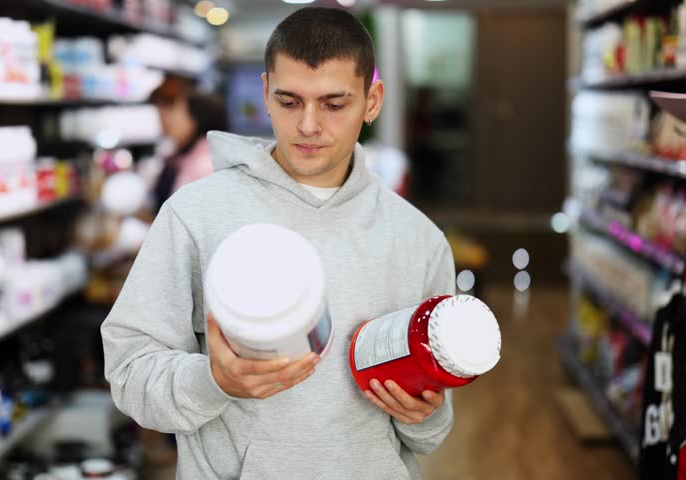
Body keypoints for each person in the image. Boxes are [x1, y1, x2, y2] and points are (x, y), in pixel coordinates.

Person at [101, 7, 455, 479]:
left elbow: (429, 430)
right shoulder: (195, 215)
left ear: (372, 101)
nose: (309, 125)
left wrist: (426, 415)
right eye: (289, 102)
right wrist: (214, 381)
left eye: (333, 104)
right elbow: (129, 373)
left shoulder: (420, 242)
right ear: (265, 92)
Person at [149, 76, 228, 209]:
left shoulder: (204, 165)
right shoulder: (183, 155)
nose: (169, 119)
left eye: (176, 111)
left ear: (194, 119)